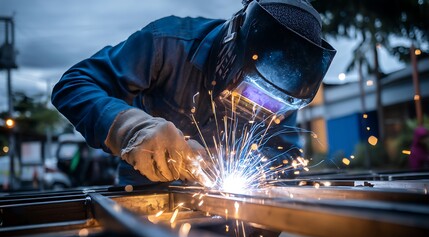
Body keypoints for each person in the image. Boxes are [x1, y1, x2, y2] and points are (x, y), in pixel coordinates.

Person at [51, 0, 336, 186]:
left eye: (269, 104)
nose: (257, 106)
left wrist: (256, 179)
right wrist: (129, 127)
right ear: (232, 44)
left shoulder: (286, 92)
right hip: (146, 205)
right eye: (250, 91)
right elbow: (74, 84)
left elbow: (283, 158)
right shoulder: (168, 44)